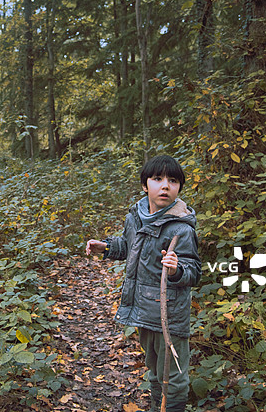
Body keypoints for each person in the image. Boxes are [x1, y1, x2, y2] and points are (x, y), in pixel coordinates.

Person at [86, 154, 201, 412]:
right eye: (157, 179)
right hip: (142, 310)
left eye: (172, 181)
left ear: (179, 187)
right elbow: (131, 247)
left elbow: (193, 271)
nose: (165, 186)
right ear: (144, 184)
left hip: (169, 316)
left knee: (174, 379)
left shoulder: (181, 229)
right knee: (154, 372)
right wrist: (105, 247)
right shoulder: (135, 218)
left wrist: (176, 269)